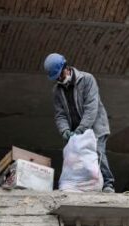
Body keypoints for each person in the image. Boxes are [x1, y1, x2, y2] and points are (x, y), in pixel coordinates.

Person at [45, 52, 113, 193]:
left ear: (66, 67)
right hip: (74, 131)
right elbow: (60, 114)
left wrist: (82, 129)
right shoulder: (57, 91)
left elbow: (91, 108)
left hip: (95, 126)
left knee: (98, 152)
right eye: (56, 78)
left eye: (61, 75)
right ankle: (82, 186)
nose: (59, 79)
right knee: (73, 159)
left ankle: (108, 184)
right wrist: (65, 131)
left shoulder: (87, 80)